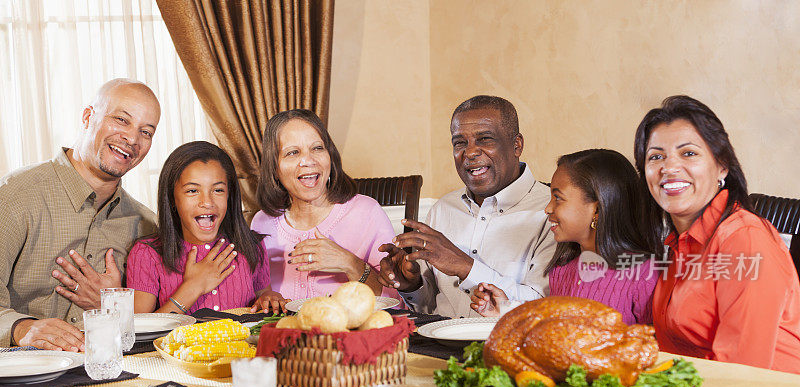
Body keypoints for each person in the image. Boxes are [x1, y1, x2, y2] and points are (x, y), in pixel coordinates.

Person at [634, 95, 800, 373]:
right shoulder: (678, 243)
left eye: (688, 153)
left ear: (722, 165)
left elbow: (742, 370)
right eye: (656, 156)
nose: (669, 167)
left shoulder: (744, 238)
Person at [0, 79, 160, 350]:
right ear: (88, 117)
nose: (132, 139)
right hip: (22, 375)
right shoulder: (15, 196)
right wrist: (21, 327)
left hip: (114, 373)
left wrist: (112, 306)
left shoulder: (145, 224)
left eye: (146, 132)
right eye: (121, 120)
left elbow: (153, 320)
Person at [378, 95, 556, 317]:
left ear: (516, 145)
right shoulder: (443, 208)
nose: (470, 152)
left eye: (485, 139)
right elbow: (427, 308)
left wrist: (465, 267)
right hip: (436, 345)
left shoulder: (553, 213)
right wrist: (412, 285)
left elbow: (545, 309)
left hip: (504, 346)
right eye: (460, 143)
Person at [470, 149, 659, 325]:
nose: (547, 208)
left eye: (558, 198)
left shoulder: (645, 274)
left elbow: (659, 349)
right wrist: (504, 310)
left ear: (598, 208)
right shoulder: (562, 268)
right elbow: (554, 327)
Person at [250, 109, 400, 302]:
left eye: (317, 148)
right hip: (284, 331)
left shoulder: (367, 212)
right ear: (274, 168)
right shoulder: (262, 223)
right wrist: (265, 298)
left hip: (351, 331)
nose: (308, 160)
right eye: (293, 152)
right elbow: (257, 293)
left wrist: (350, 263)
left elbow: (394, 301)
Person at [126, 141, 274, 314]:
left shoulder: (252, 245)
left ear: (229, 195)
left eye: (218, 190)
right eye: (192, 191)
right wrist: (193, 287)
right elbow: (139, 333)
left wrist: (270, 299)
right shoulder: (147, 254)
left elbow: (263, 300)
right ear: (172, 198)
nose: (207, 202)